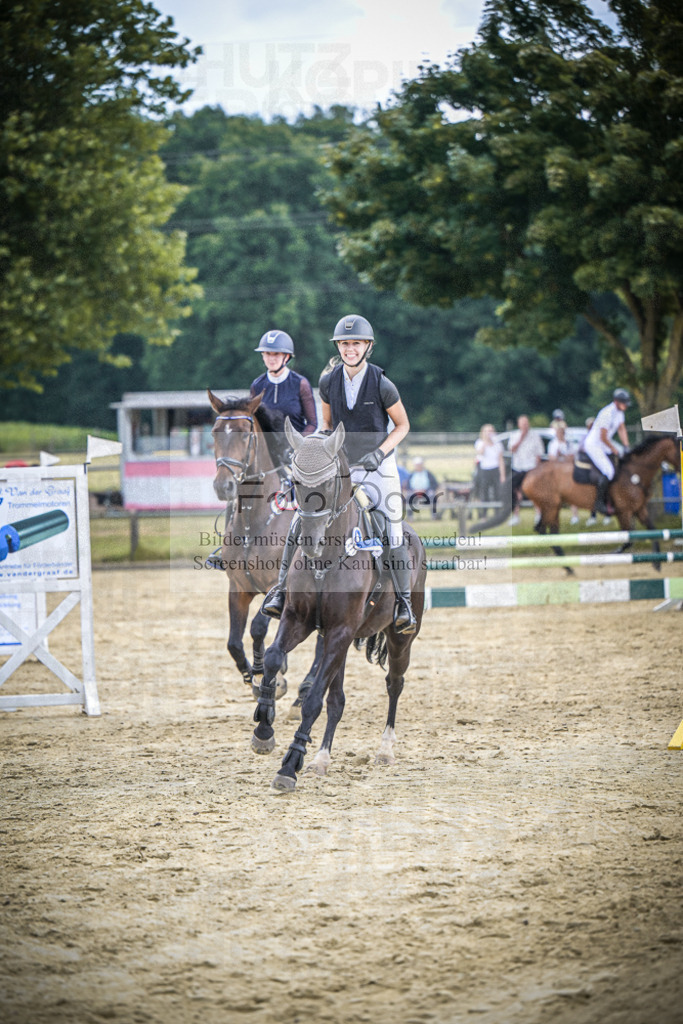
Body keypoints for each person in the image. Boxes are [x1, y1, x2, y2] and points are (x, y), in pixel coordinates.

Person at [262, 313, 416, 634]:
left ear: (367, 347)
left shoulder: (382, 383)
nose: (349, 349)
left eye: (355, 344)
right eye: (345, 344)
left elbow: (403, 426)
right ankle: (279, 590)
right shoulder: (329, 381)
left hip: (378, 463)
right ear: (339, 347)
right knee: (299, 519)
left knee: (392, 524)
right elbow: (326, 427)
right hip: (341, 465)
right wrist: (313, 452)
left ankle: (403, 603)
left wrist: (381, 452)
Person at [250, 329, 317, 436]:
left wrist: (299, 444)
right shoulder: (257, 385)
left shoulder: (300, 384)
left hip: (294, 446)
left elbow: (312, 423)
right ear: (263, 355)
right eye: (267, 354)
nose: (271, 359)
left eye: (276, 354)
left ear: (286, 357)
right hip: (266, 448)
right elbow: (252, 421)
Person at [582, 388, 631, 515]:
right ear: (616, 402)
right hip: (594, 444)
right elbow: (602, 437)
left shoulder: (620, 413)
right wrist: (614, 450)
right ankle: (599, 503)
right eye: (624, 402)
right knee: (608, 471)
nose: (625, 405)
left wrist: (626, 446)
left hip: (604, 443)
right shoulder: (607, 413)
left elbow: (621, 429)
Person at [507, 415, 543, 525]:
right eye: (522, 424)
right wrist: (521, 438)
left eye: (526, 423)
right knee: (513, 490)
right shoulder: (514, 435)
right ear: (519, 425)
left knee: (535, 491)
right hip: (518, 467)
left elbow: (539, 454)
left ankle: (538, 515)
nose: (525, 426)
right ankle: (516, 516)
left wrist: (538, 469)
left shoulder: (535, 436)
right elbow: (512, 450)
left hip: (531, 468)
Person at [547, 419, 580, 525]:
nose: (560, 433)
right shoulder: (553, 444)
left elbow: (572, 458)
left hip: (567, 473)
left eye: (562, 431)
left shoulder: (569, 444)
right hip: (557, 473)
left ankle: (575, 516)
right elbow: (551, 459)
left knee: (572, 493)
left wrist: (563, 457)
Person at [474, 424, 505, 518]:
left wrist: (502, 475)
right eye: (487, 431)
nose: (490, 433)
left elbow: (500, 459)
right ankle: (484, 514)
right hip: (484, 470)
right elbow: (481, 453)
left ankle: (497, 514)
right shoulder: (479, 442)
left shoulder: (498, 444)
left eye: (491, 431)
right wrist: (485, 441)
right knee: (484, 493)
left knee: (497, 493)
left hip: (495, 469)